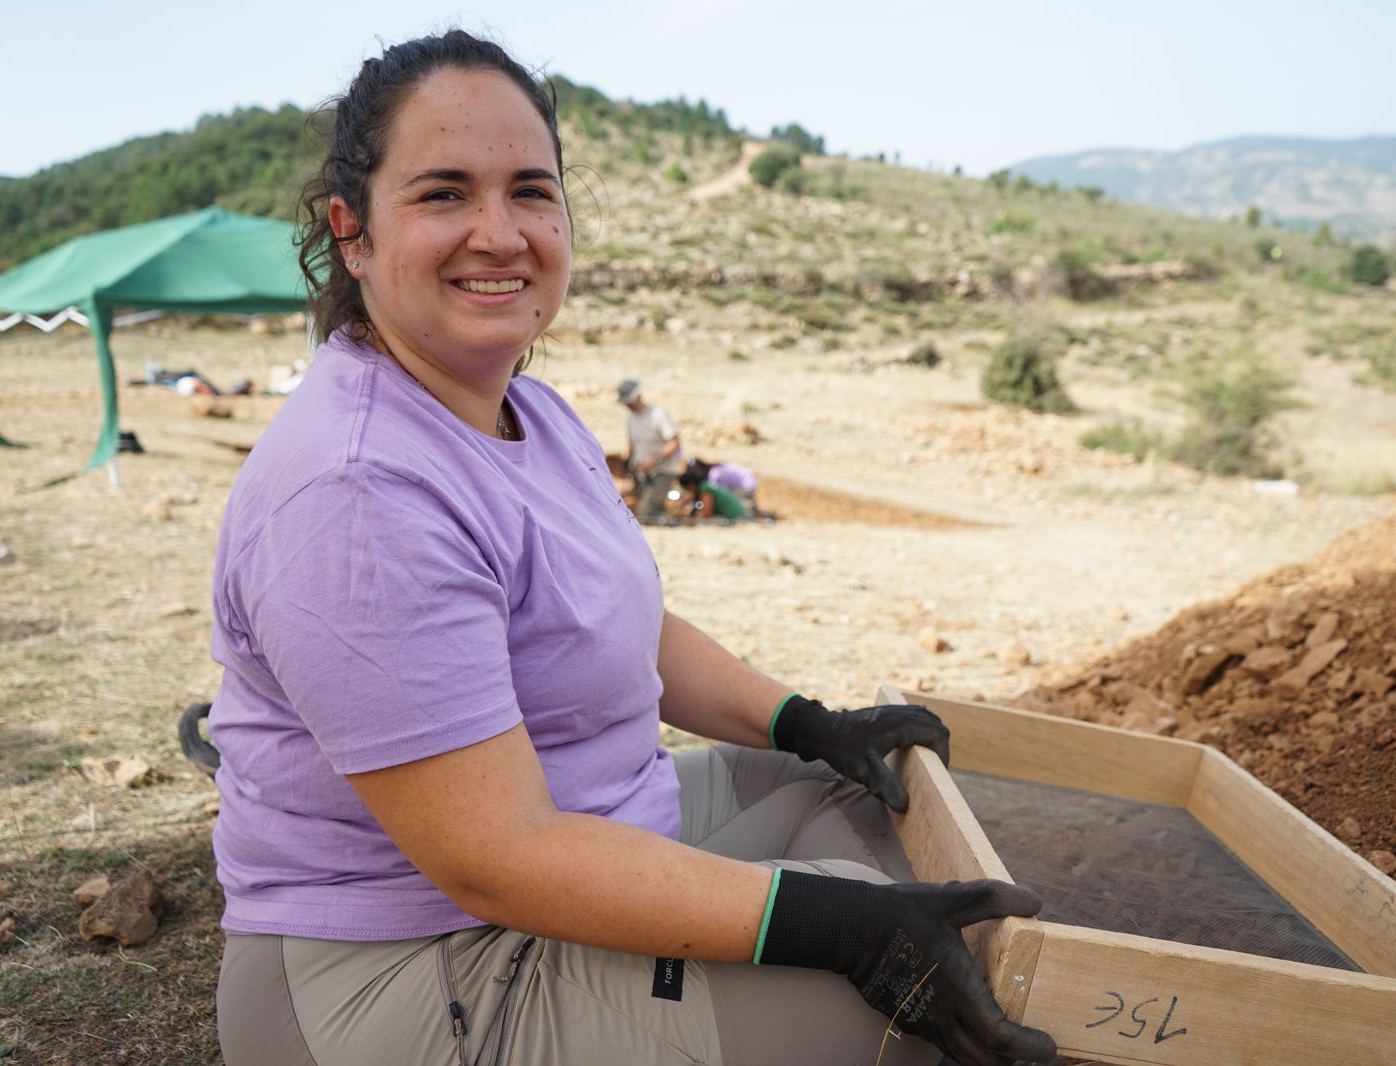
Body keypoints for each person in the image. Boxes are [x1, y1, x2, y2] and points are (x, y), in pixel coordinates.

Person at [204, 29, 1056, 1066]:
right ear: (352, 232)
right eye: (442, 194)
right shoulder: (356, 490)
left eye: (529, 190)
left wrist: (808, 722)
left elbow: (621, 622)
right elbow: (496, 859)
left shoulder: (535, 413)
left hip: (599, 825)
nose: (498, 232)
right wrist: (841, 928)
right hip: (420, 963)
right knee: (909, 1012)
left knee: (875, 790)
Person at [619, 377, 685, 522]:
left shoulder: (657, 414)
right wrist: (628, 469)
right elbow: (631, 444)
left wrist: (654, 461)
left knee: (645, 513)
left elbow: (674, 443)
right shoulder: (631, 417)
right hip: (641, 472)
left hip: (662, 470)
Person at [679, 459, 753, 520]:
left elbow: (706, 514)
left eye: (687, 489)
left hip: (737, 516)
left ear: (692, 485)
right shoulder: (707, 484)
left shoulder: (705, 488)